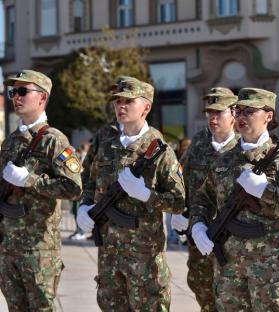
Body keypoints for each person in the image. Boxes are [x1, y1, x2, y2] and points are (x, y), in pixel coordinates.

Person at [189, 87, 279, 311]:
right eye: (238, 111)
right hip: (229, 270)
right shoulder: (224, 161)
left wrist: (266, 191)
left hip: (271, 272)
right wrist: (198, 225)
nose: (241, 117)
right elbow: (202, 199)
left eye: (249, 111)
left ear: (268, 116)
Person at [76, 76, 185, 311]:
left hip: (144, 256)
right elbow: (88, 180)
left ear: (146, 107)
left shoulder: (159, 149)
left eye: (128, 101)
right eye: (117, 100)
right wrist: (85, 206)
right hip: (108, 253)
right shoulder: (105, 140)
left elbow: (178, 202)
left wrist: (146, 195)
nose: (120, 106)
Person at [0, 69, 82, 310]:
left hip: (39, 249)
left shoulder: (54, 141)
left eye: (23, 91)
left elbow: (73, 187)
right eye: (14, 91)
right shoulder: (11, 141)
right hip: (9, 245)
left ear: (42, 98)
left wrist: (32, 180)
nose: (16, 96)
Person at [171, 87, 239, 311]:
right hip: (199, 231)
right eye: (210, 112)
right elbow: (180, 177)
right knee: (200, 283)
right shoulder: (199, 142)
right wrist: (179, 210)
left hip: (233, 236)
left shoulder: (243, 145)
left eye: (219, 112)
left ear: (234, 114)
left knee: (232, 292)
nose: (213, 118)